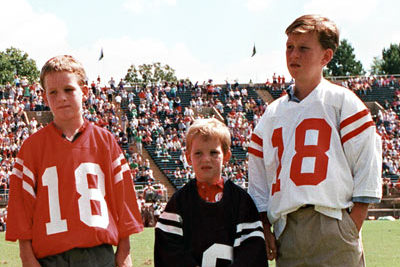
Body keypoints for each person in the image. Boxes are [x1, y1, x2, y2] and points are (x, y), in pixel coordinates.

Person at [248, 15, 382, 267]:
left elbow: (367, 161)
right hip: (288, 228)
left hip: (333, 221)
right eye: (289, 47)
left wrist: (355, 221)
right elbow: (258, 176)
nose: (293, 55)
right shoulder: (272, 113)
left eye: (303, 48)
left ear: (326, 56)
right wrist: (265, 224)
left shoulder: (343, 101)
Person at [5, 55, 144, 267]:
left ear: (85, 92)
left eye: (69, 90)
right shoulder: (31, 148)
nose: (61, 98)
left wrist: (124, 252)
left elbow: (123, 199)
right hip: (50, 258)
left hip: (99, 255)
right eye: (53, 92)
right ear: (44, 97)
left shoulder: (105, 141)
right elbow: (21, 209)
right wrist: (27, 257)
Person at [154, 118, 267, 267]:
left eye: (214, 153)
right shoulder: (179, 202)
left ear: (226, 156)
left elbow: (252, 251)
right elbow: (168, 251)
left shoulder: (241, 201)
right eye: (198, 153)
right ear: (188, 157)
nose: (206, 159)